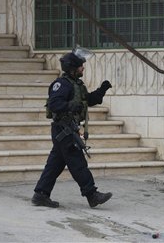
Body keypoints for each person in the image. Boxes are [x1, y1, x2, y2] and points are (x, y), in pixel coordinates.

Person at [31, 47, 113, 208]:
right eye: (81, 65)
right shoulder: (61, 85)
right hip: (63, 128)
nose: (83, 67)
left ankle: (40, 194)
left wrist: (102, 90)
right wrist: (70, 105)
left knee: (55, 163)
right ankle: (92, 194)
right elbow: (54, 104)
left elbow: (87, 100)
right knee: (77, 162)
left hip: (69, 128)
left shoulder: (77, 85)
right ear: (73, 68)